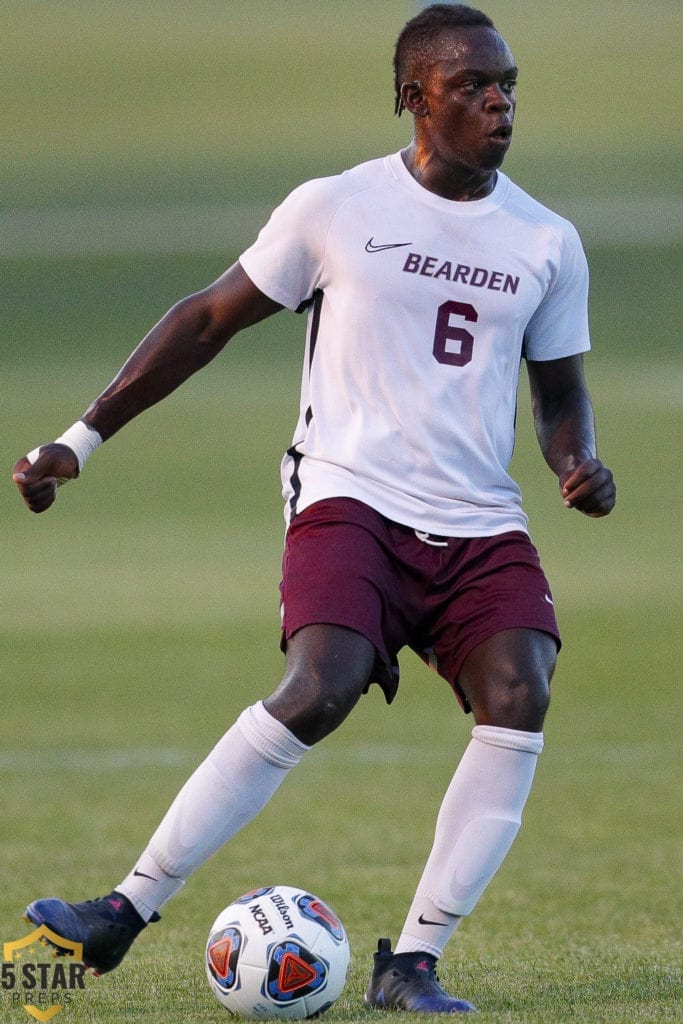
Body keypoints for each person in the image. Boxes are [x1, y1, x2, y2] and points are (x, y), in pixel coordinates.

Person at [13, 3, 616, 1014]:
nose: (498, 99)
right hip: (349, 495)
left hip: (478, 518)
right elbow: (205, 319)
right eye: (471, 84)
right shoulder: (335, 207)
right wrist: (81, 438)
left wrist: (576, 462)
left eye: (505, 81)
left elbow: (557, 392)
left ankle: (411, 963)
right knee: (321, 682)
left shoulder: (544, 240)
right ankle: (120, 910)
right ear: (412, 96)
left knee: (521, 691)